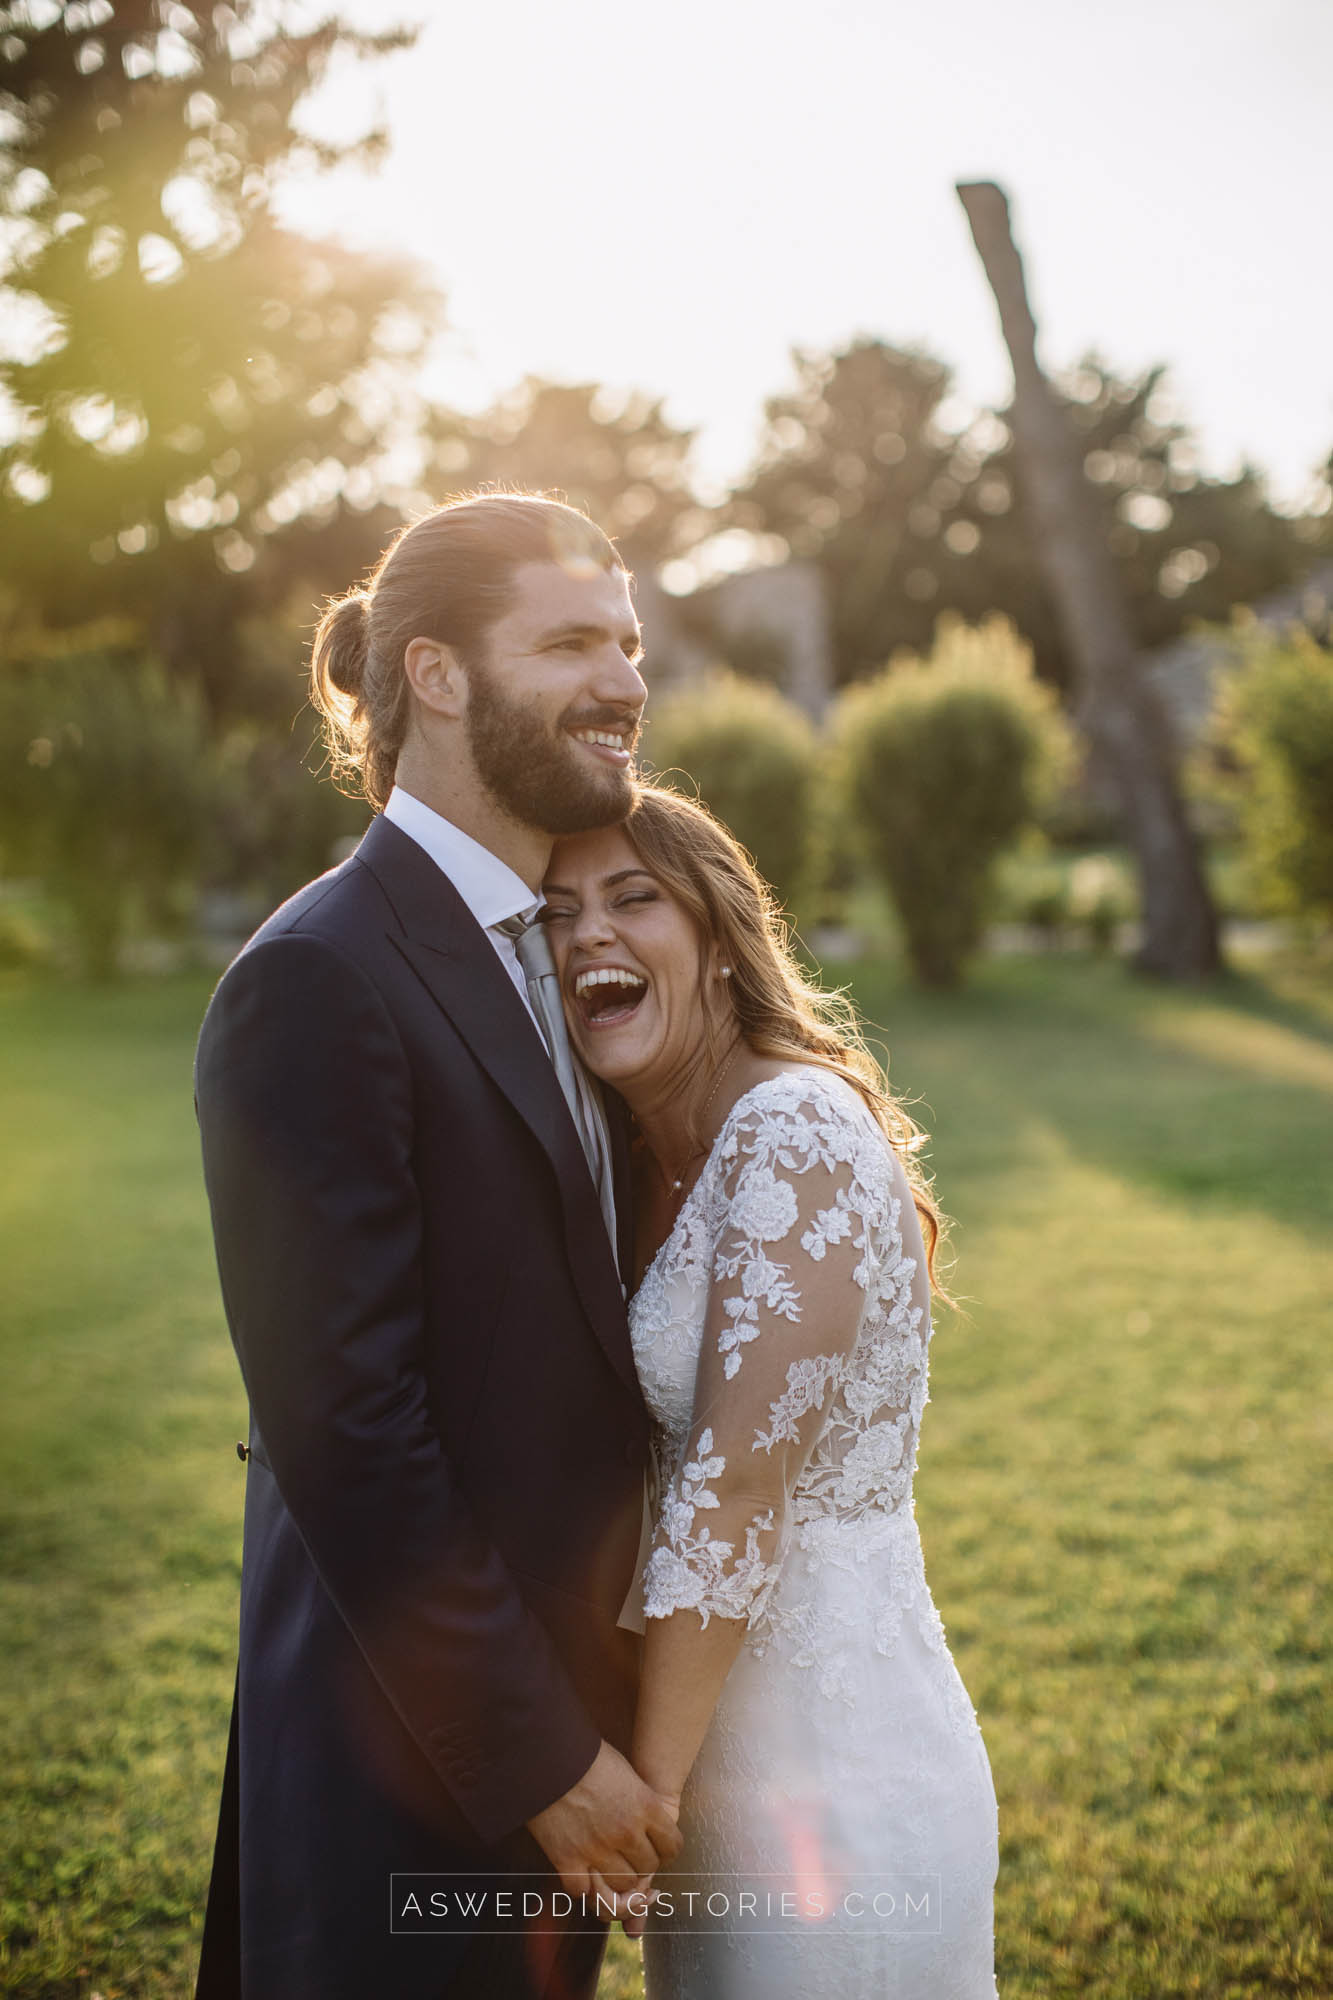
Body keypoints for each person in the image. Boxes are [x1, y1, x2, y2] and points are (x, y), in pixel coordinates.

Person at [192, 492, 681, 2000]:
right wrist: (544, 1762)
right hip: (408, 1764)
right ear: (437, 675)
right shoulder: (318, 980)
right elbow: (350, 1432)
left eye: (630, 643)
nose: (622, 679)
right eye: (570, 642)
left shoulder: (573, 942)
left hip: (564, 1737)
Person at [542, 784, 1001, 1998]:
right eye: (556, 911)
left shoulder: (790, 1125)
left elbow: (738, 1483)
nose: (588, 932)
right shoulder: (653, 1156)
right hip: (721, 1766)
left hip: (830, 1772)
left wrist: (638, 1797)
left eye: (632, 897)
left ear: (717, 938)